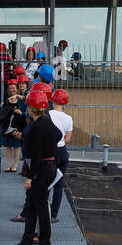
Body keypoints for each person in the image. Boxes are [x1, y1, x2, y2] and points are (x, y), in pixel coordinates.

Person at [9, 89, 60, 245]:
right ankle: (26, 241)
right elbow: (58, 135)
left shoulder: (38, 125)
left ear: (32, 108)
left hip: (42, 169)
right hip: (48, 167)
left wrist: (30, 177)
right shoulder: (46, 121)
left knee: (40, 208)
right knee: (31, 205)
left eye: (28, 106)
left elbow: (37, 155)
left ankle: (44, 244)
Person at [48, 88, 73, 222]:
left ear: (52, 100)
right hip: (62, 151)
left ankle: (42, 211)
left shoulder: (48, 115)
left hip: (49, 151)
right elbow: (68, 139)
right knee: (58, 183)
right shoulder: (68, 118)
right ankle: (53, 214)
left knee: (45, 181)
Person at [0, 81, 23, 172]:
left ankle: (15, 165)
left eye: (14, 88)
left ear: (17, 89)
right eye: (10, 88)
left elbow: (23, 112)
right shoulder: (7, 100)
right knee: (7, 147)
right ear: (8, 90)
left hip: (17, 126)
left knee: (16, 146)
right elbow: (4, 113)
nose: (12, 90)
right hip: (7, 127)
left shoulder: (20, 100)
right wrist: (13, 110)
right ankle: (8, 165)